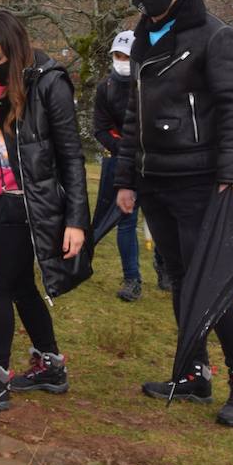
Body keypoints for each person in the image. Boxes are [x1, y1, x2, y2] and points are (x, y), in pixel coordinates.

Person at [113, 0, 233, 428]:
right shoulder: (141, 38)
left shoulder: (215, 36)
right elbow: (134, 114)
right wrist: (126, 177)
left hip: (202, 179)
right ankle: (195, 370)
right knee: (179, 279)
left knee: (211, 282)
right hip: (156, 179)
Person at [0, 11, 88, 412]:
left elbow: (72, 156)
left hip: (31, 203)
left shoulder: (49, 83)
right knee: (21, 285)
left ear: (16, 49)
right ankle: (50, 364)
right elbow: (0, 144)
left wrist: (76, 220)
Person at [92, 30, 143, 301]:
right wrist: (125, 150)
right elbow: (100, 128)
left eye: (127, 56)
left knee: (159, 222)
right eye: (117, 56)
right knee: (124, 219)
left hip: (153, 162)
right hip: (120, 161)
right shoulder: (105, 88)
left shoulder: (149, 85)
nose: (121, 61)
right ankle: (132, 278)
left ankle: (167, 270)